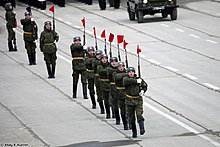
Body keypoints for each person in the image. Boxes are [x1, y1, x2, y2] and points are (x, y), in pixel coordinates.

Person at [123, 67, 148, 138]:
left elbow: (145, 86)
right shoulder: (126, 79)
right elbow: (127, 81)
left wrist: (143, 90)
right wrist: (136, 81)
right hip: (129, 100)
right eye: (129, 72)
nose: (131, 73)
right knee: (131, 118)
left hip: (138, 100)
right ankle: (134, 131)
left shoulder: (139, 79)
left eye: (132, 72)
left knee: (139, 114)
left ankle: (142, 128)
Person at [113, 61, 129, 130]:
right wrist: (126, 74)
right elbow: (117, 77)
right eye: (119, 67)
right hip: (119, 93)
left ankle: (130, 123)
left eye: (122, 66)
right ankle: (125, 124)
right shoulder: (115, 73)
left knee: (128, 110)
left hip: (127, 93)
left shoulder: (128, 72)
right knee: (122, 110)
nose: (121, 68)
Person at [107, 57, 120, 124]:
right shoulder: (109, 69)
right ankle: (115, 115)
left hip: (120, 89)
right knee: (114, 102)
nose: (114, 63)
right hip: (113, 87)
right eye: (112, 62)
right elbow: (113, 73)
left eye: (115, 61)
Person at [97, 54, 111, 118]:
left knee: (112, 100)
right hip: (103, 84)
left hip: (110, 84)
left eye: (105, 58)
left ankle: (113, 113)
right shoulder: (99, 65)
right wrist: (109, 71)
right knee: (106, 100)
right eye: (103, 59)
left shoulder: (110, 65)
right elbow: (100, 71)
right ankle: (108, 112)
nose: (104, 60)